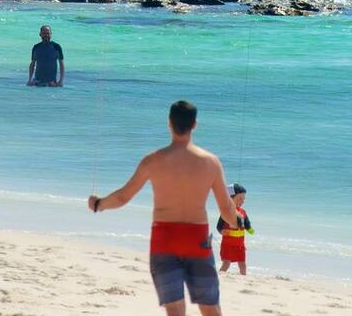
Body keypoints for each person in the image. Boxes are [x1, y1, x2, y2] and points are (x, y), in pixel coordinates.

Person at [87, 100, 241, 316]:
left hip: (164, 239)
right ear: (195, 125)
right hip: (196, 239)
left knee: (175, 310)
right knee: (210, 307)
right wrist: (237, 221)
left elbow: (123, 196)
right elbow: (226, 210)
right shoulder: (210, 162)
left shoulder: (153, 160)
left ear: (169, 123)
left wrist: (99, 204)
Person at [216, 183, 252, 276]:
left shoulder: (243, 212)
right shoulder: (226, 212)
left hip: (240, 245)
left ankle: (244, 278)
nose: (242, 201)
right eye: (239, 198)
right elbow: (219, 226)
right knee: (226, 264)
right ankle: (220, 276)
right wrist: (221, 231)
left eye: (243, 199)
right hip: (228, 244)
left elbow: (246, 223)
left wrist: (249, 228)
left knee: (242, 265)